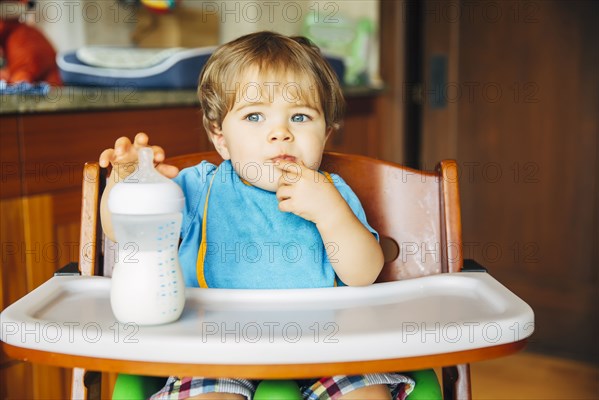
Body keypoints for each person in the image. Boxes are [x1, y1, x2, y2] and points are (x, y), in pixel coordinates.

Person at [99, 31, 414, 400]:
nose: (279, 132)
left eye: (299, 116)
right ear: (220, 138)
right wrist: (128, 184)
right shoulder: (200, 187)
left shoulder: (331, 191)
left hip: (329, 346)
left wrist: (330, 213)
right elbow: (123, 233)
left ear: (325, 134)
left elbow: (363, 275)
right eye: (254, 116)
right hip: (214, 348)